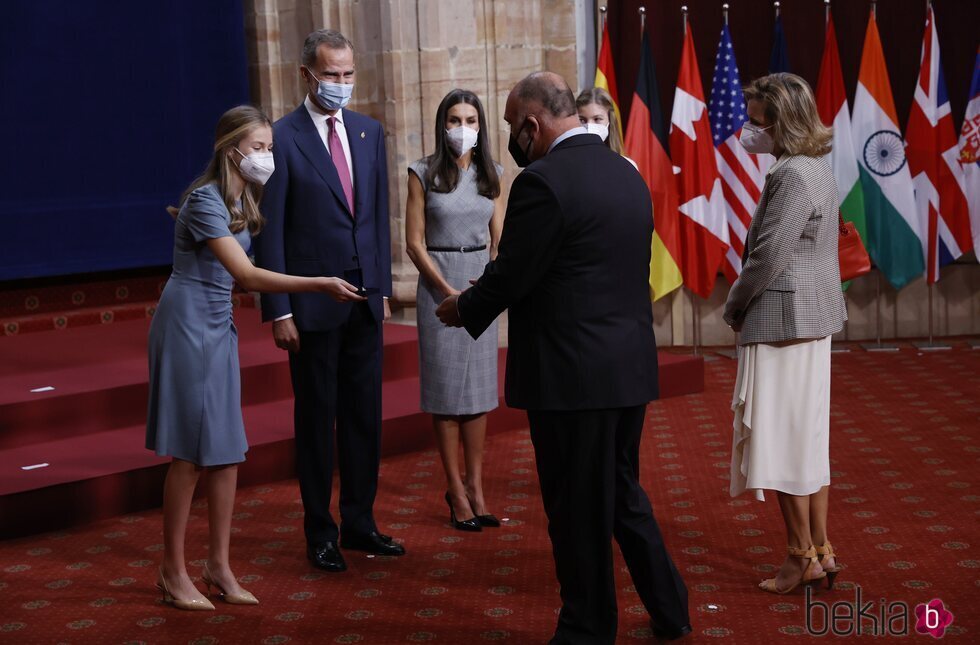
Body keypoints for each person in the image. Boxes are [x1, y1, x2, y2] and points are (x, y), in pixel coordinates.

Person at [436, 72, 690, 644]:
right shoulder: (626, 175)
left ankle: (586, 629)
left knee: (577, 510)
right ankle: (671, 607)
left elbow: (515, 273)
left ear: (532, 124)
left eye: (508, 128)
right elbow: (590, 267)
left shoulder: (542, 183)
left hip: (572, 379)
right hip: (626, 367)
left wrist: (463, 306)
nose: (507, 140)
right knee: (621, 492)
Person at [147, 105, 366, 611]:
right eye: (260, 148)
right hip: (186, 325)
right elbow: (246, 276)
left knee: (225, 452)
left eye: (270, 147)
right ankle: (172, 571)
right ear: (232, 151)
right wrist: (318, 284)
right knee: (190, 454)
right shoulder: (205, 200)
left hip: (216, 323)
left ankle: (218, 566)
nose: (268, 156)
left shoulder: (242, 196)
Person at [252, 29, 403, 573]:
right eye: (331, 75)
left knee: (366, 417)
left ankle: (361, 523)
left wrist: (381, 290)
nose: (341, 84)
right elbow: (271, 229)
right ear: (306, 75)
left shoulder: (368, 131)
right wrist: (280, 309)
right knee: (318, 421)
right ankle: (321, 531)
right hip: (310, 306)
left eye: (348, 74)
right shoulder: (281, 137)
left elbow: (378, 216)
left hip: (363, 300)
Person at [723, 73, 847, 594]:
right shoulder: (816, 165)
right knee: (808, 444)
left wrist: (734, 305)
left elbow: (767, 255)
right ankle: (820, 549)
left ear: (778, 120)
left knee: (781, 445)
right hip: (811, 319)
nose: (747, 129)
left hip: (783, 322)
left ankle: (800, 558)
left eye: (753, 119)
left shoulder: (792, 174)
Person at [405, 89, 505, 532]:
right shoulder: (422, 171)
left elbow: (500, 236)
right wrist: (447, 289)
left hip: (480, 284)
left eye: (470, 119)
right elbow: (413, 241)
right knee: (447, 395)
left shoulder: (492, 172)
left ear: (480, 126)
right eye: (454, 119)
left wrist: (487, 284)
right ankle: (455, 490)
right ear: (442, 124)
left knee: (480, 393)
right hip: (439, 283)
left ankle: (478, 487)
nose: (462, 127)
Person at [575, 87, 637, 169]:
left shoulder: (627, 165)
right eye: (582, 120)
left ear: (610, 121)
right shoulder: (568, 163)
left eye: (597, 119)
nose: (589, 125)